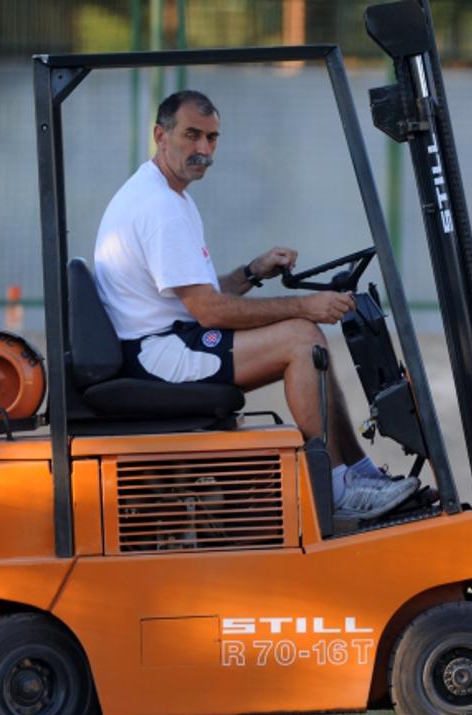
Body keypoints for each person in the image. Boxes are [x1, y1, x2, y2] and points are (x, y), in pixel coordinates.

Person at [93, 90, 416, 522]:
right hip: (156, 354)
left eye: (212, 138)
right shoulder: (159, 209)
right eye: (192, 135)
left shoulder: (169, 197)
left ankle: (358, 473)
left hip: (170, 339)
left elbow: (202, 295)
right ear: (160, 134)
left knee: (307, 338)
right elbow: (209, 311)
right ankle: (335, 489)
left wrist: (253, 270)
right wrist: (305, 305)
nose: (203, 150)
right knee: (301, 341)